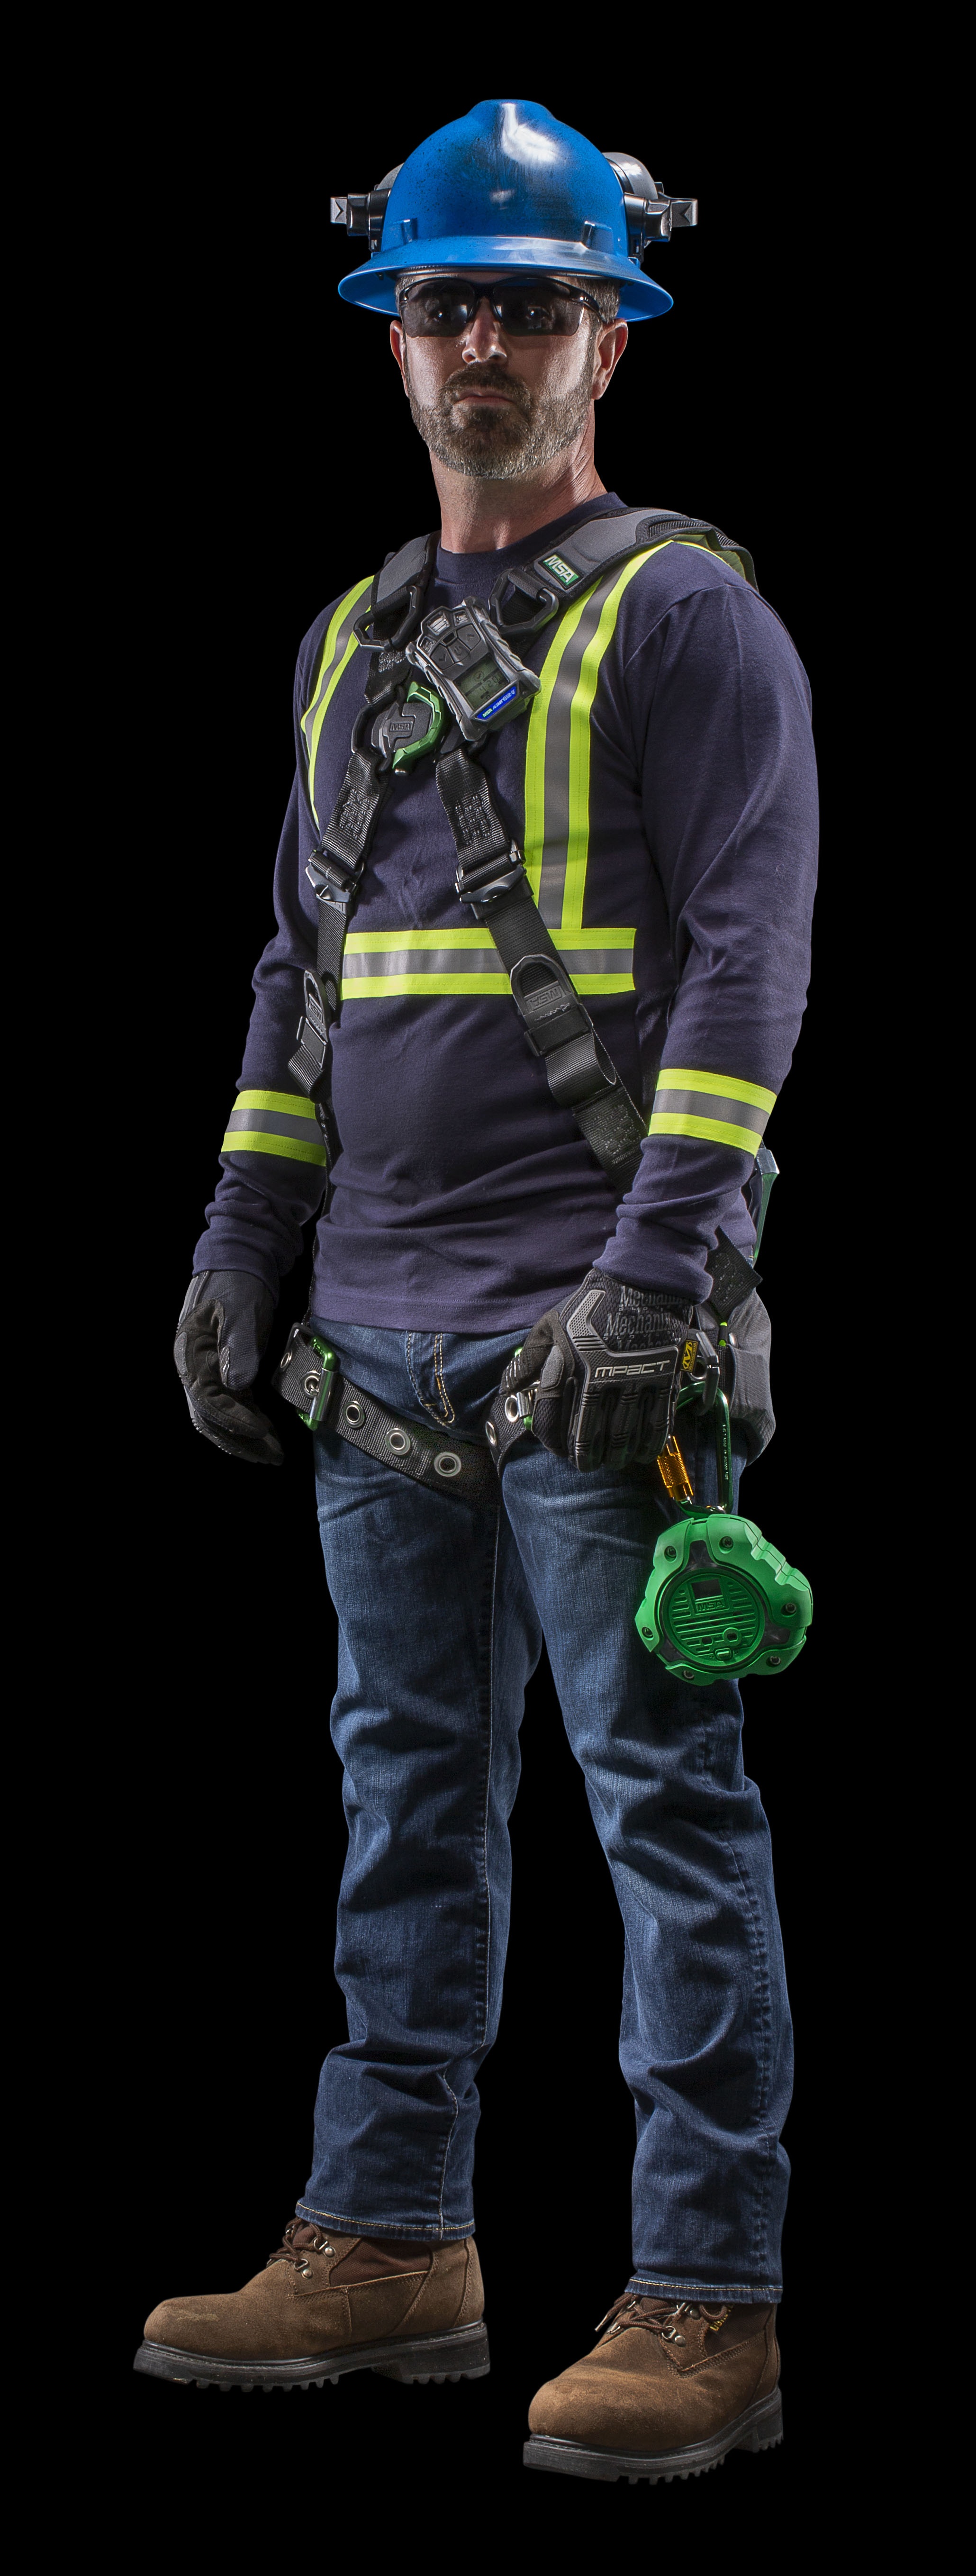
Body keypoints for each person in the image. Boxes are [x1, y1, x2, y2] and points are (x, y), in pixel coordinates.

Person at [136, 99, 817, 2486]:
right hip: (374, 1341)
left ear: (609, 340)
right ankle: (388, 2236)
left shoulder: (685, 620)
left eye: (534, 307)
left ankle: (708, 2297)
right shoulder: (346, 641)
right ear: (393, 339)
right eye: (447, 307)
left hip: (587, 1345)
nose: (487, 349)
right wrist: (241, 1246)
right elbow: (299, 977)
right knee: (402, 1798)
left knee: (661, 1816)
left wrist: (655, 1282)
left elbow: (743, 972)